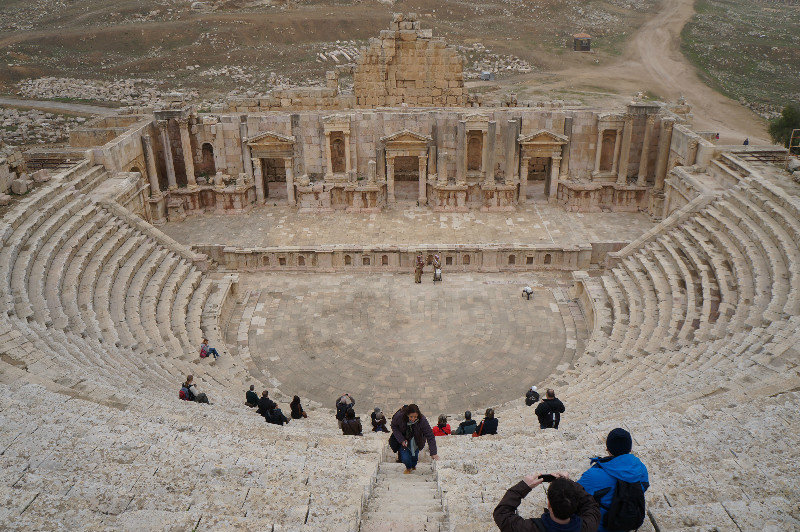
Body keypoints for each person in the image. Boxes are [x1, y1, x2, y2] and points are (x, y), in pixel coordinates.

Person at [577, 428, 649, 532]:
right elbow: (644, 487)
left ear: (608, 449)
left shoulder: (593, 475)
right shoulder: (641, 469)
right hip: (628, 519)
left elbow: (574, 494)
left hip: (601, 526)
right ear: (630, 449)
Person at [493, 472, 601, 532]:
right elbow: (590, 504)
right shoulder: (588, 526)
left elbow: (501, 513)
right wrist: (568, 484)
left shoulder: (529, 528)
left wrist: (524, 486)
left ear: (549, 504)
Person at [390, 404, 438, 473]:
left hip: (416, 441)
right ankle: (408, 468)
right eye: (411, 416)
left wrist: (433, 453)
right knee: (405, 458)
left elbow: (430, 435)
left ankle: (413, 466)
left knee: (414, 457)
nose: (413, 419)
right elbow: (394, 426)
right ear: (407, 415)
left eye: (415, 417)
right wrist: (401, 439)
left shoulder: (422, 420)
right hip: (404, 439)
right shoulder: (400, 416)